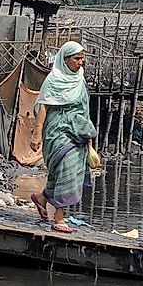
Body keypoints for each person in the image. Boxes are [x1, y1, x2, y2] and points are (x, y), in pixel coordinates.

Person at [30, 42, 96, 234]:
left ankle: (42, 199)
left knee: (63, 170)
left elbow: (83, 108)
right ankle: (59, 217)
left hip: (77, 130)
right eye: (76, 59)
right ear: (64, 59)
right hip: (57, 131)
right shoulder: (54, 80)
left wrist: (87, 134)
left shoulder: (80, 80)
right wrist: (37, 134)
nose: (80, 63)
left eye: (82, 59)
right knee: (66, 168)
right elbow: (43, 106)